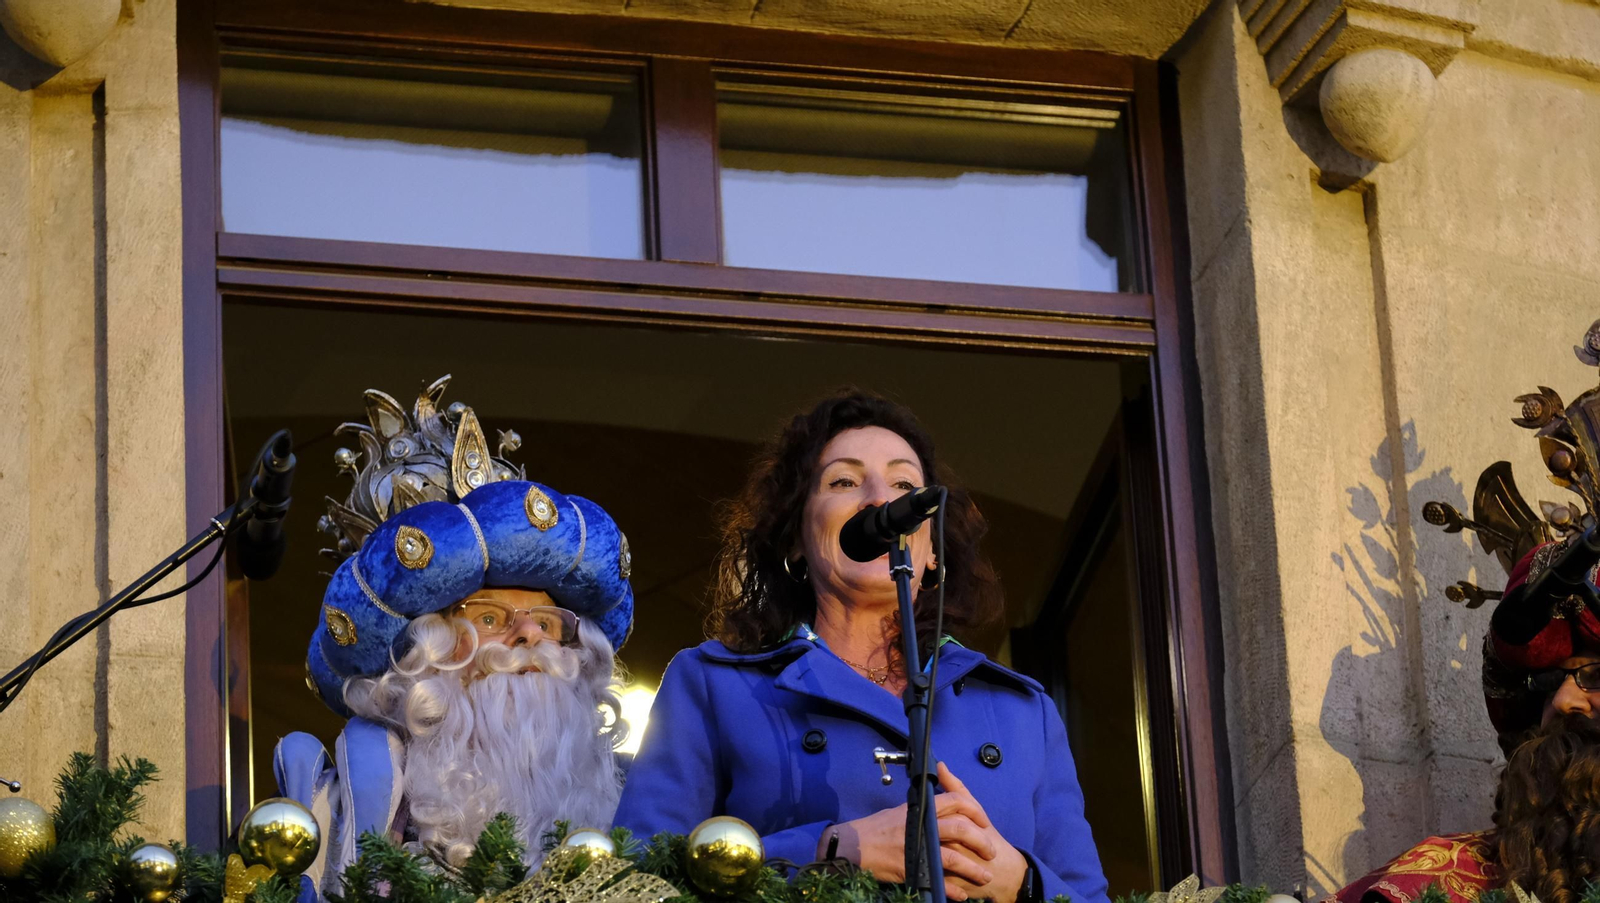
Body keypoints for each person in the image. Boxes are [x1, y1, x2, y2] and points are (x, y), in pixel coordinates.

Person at [615, 390, 1109, 903]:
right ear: (795, 540)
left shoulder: (1024, 712)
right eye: (844, 481)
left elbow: (1089, 896)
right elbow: (638, 881)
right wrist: (832, 850)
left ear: (934, 549)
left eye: (904, 484)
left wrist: (1021, 882)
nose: (880, 500)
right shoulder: (713, 685)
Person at [272, 377, 637, 901]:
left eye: (549, 621)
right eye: (490, 619)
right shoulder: (352, 809)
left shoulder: (635, 807)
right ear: (425, 665)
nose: (530, 632)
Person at [1333, 325, 1600, 903]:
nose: (1573, 704)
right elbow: (1515, 629)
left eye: (1595, 680)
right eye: (1582, 678)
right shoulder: (1446, 881)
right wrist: (1586, 550)